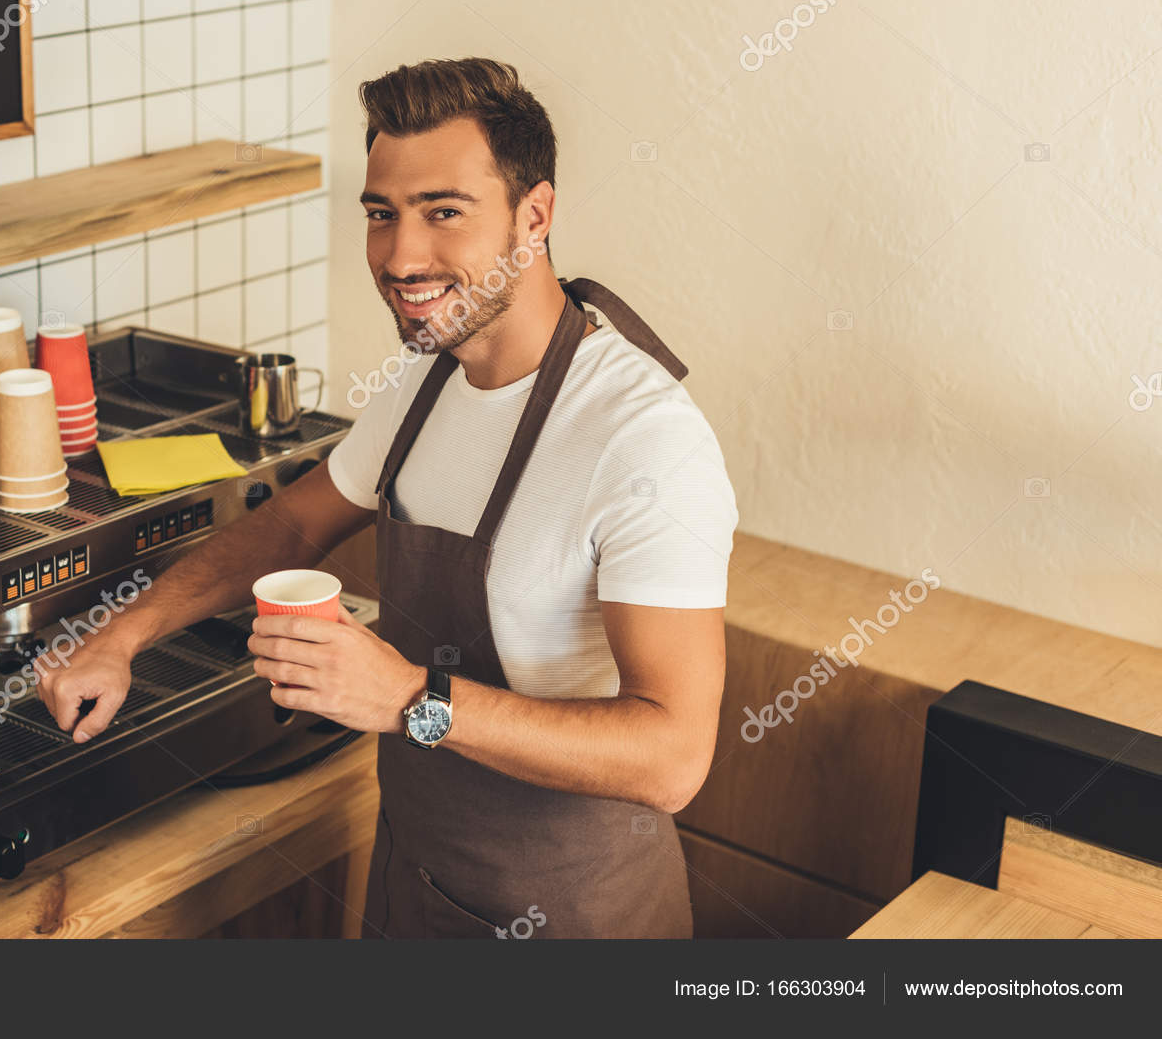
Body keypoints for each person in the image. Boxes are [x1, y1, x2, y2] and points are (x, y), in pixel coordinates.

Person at [36, 57, 738, 938]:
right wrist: (118, 638)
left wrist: (411, 698)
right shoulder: (426, 382)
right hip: (420, 886)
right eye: (381, 214)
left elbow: (673, 757)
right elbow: (293, 521)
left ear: (535, 215)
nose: (402, 257)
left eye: (443, 212)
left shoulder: (643, 439)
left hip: (576, 918)